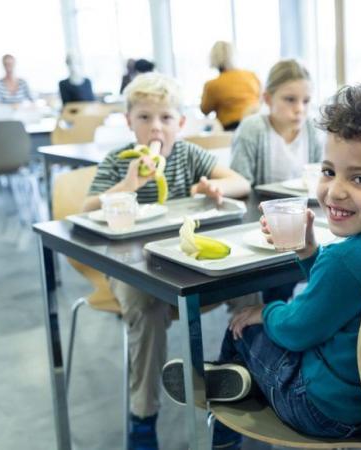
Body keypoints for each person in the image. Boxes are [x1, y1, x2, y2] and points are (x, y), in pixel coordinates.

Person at [161, 84, 361, 450]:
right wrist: (310, 251)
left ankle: (224, 424)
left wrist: (265, 310)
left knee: (241, 328)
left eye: (359, 178)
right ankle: (242, 378)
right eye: (329, 171)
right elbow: (343, 299)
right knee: (274, 328)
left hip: (329, 411)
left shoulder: (347, 259)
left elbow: (298, 331)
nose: (335, 191)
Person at [82, 72, 257, 450]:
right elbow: (87, 208)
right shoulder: (119, 161)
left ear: (180, 123)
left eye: (165, 118)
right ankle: (142, 416)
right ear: (129, 122)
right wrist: (129, 184)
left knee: (249, 289)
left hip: (185, 264)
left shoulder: (189, 155)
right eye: (144, 118)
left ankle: (239, 382)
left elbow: (239, 182)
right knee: (144, 305)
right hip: (131, 266)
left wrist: (215, 187)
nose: (155, 128)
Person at [230, 59, 323, 187]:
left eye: (306, 101)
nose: (300, 109)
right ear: (268, 99)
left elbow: (322, 181)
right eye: (290, 99)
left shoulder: (313, 130)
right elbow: (238, 184)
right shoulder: (251, 130)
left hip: (305, 207)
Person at [200, 40, 261, 131]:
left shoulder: (212, 85)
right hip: (257, 124)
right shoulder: (251, 76)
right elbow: (260, 98)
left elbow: (205, 110)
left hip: (230, 130)